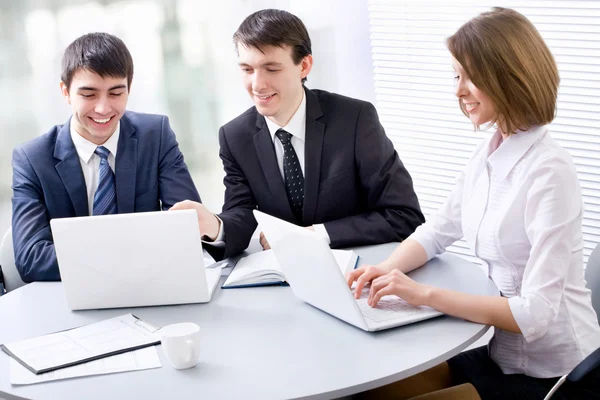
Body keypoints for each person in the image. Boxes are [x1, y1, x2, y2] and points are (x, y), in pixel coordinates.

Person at [348, 7, 600, 400]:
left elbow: (534, 313)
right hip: (503, 358)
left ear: (508, 77)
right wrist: (381, 272)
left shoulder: (549, 172)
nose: (458, 90)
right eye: (456, 76)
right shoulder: (489, 150)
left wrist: (420, 294)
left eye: (470, 77)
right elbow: (437, 231)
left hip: (555, 378)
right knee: (374, 389)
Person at [171, 9, 425, 260]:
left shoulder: (355, 119)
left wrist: (314, 234)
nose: (257, 84)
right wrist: (214, 226)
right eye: (247, 70)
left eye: (271, 69)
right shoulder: (235, 136)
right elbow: (242, 214)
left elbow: (404, 215)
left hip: (359, 270)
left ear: (304, 65)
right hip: (286, 279)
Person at [11, 32, 201, 282]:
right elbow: (31, 257)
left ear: (128, 89)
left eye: (115, 93)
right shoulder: (32, 159)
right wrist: (125, 258)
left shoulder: (155, 136)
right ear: (65, 92)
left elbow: (186, 225)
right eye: (88, 95)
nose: (103, 108)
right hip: (72, 295)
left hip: (148, 285)